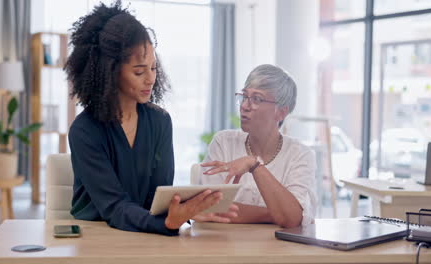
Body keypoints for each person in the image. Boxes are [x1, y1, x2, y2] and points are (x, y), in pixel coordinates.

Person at [65, 1, 231, 236]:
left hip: (144, 232)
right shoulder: (85, 130)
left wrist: (184, 211)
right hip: (96, 234)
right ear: (110, 72)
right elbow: (113, 206)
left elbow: (158, 196)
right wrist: (166, 223)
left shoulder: (160, 121)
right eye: (139, 71)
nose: (150, 79)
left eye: (154, 69)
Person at [200, 64, 316, 228]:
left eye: (256, 99)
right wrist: (274, 213)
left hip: (279, 250)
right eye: (244, 96)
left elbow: (292, 219)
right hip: (224, 246)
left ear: (281, 112)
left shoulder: (300, 155)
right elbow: (208, 207)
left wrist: (254, 164)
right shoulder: (224, 142)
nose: (244, 106)